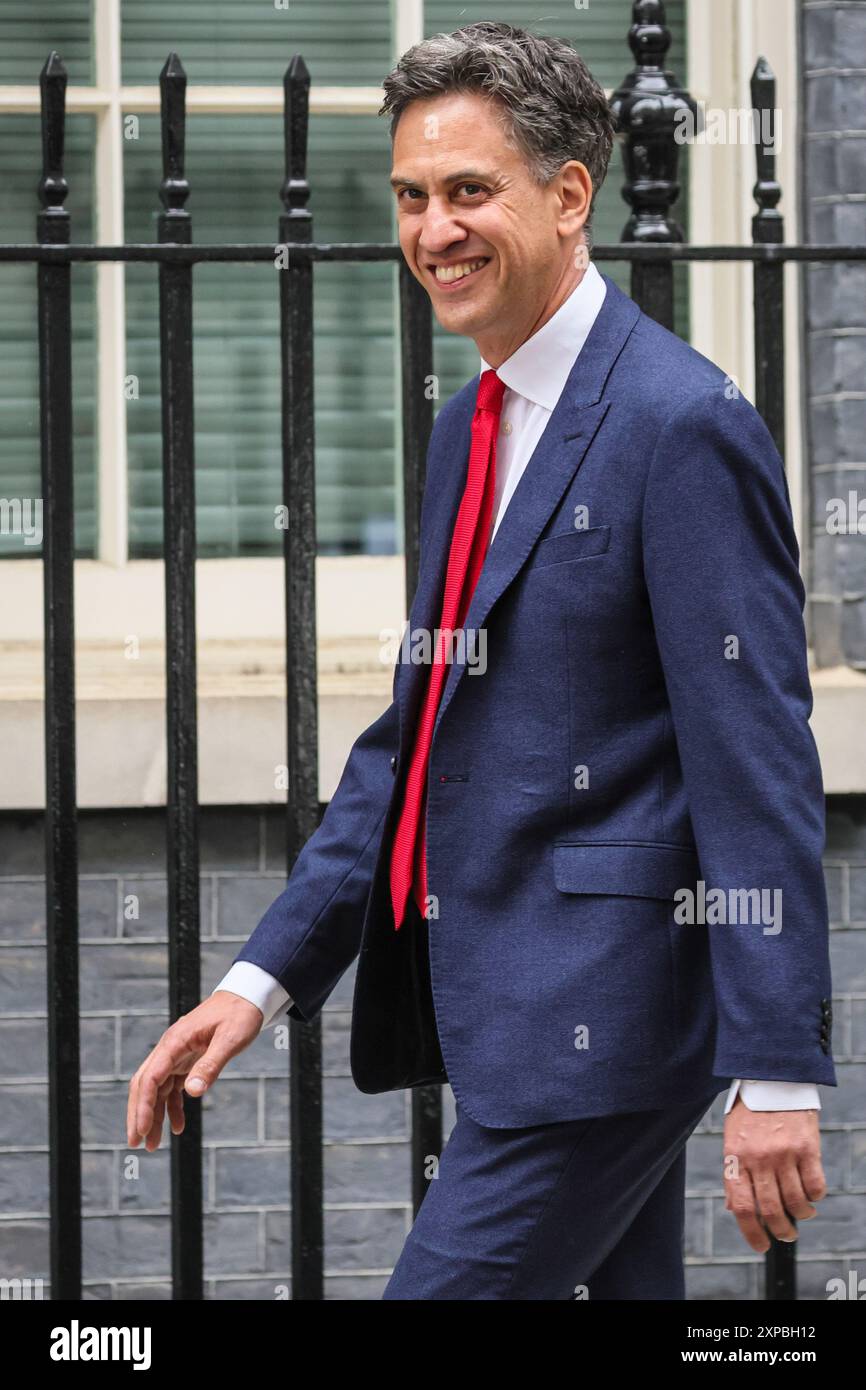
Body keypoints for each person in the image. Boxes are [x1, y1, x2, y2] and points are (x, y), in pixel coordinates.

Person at [127, 22, 836, 1300]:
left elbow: (757, 760)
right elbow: (415, 737)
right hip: (512, 1015)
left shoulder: (681, 425)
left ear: (569, 197)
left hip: (604, 1029)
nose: (431, 231)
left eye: (467, 192)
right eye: (410, 197)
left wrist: (775, 1067)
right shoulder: (470, 422)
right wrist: (264, 975)